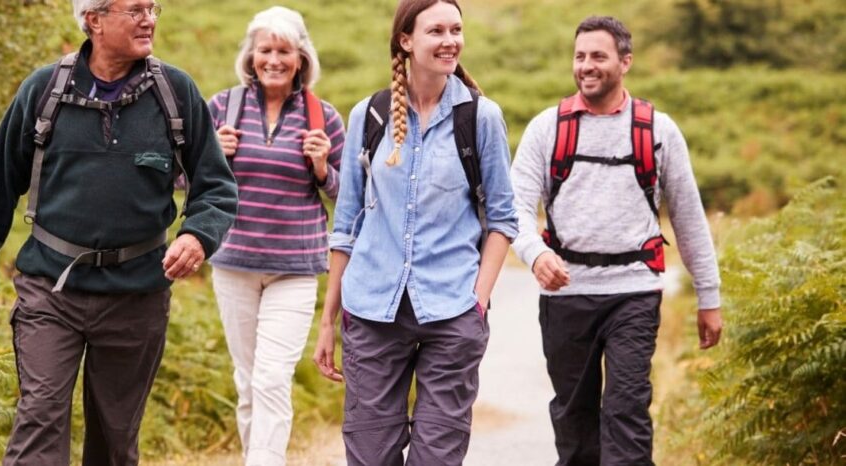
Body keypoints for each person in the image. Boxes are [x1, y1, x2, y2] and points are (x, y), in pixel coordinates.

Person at [0, 0, 238, 464]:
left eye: (153, 8)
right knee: (39, 418)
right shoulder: (44, 90)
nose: (149, 18)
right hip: (51, 289)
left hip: (138, 293)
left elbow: (216, 185)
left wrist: (197, 236)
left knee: (114, 437)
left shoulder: (176, 92)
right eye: (135, 9)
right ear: (95, 20)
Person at [509, 16, 724, 466]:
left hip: (634, 293)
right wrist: (535, 254)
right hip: (566, 296)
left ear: (625, 62)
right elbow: (515, 208)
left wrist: (709, 295)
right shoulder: (547, 128)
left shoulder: (658, 131)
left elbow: (688, 217)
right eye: (580, 56)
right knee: (574, 421)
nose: (587, 66)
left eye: (598, 57)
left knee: (626, 411)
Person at [313, 0, 518, 464]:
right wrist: (328, 320)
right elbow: (346, 226)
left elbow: (503, 220)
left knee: (437, 457)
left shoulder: (480, 118)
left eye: (456, 30)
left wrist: (478, 304)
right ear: (406, 41)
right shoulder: (370, 114)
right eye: (436, 31)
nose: (450, 41)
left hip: (452, 312)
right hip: (371, 312)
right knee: (369, 454)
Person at [204, 6, 344, 466]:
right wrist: (213, 157)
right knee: (247, 382)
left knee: (270, 379)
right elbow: (186, 181)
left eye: (284, 50)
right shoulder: (222, 107)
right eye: (265, 49)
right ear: (251, 54)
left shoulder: (324, 117)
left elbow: (348, 198)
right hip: (234, 263)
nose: (274, 59)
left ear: (301, 58)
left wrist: (323, 169)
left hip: (295, 268)